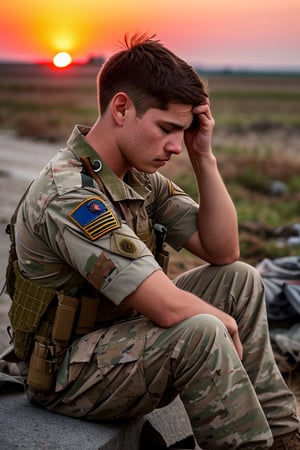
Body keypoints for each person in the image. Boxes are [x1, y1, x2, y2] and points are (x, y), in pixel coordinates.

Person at [6, 33, 300, 449]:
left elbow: (222, 251)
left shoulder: (138, 178)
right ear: (122, 108)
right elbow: (163, 304)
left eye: (183, 131)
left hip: (115, 339)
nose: (174, 146)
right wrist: (224, 323)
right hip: (63, 372)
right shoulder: (69, 194)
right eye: (167, 129)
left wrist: (204, 155)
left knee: (240, 279)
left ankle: (284, 437)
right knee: (202, 329)